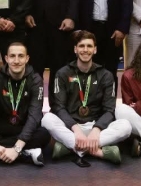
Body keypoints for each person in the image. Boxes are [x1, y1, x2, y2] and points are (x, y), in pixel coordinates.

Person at [42, 31, 132, 166]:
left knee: (126, 126)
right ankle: (97, 152)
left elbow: (109, 110)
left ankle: (71, 148)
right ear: (75, 49)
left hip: (96, 128)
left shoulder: (105, 75)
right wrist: (75, 129)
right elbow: (58, 107)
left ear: (95, 50)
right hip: (71, 128)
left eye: (89, 46)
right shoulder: (63, 73)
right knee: (47, 119)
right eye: (81, 46)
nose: (85, 50)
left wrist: (96, 129)